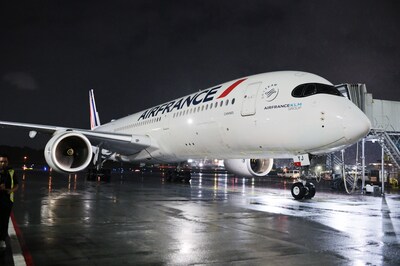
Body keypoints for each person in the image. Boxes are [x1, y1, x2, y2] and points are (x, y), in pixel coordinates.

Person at [0, 154, 18, 249]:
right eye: (1, 161)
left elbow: (16, 185)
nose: (3, 163)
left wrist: (11, 190)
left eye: (5, 162)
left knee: (4, 220)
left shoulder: (11, 172)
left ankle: (2, 239)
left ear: (8, 162)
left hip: (7, 200)